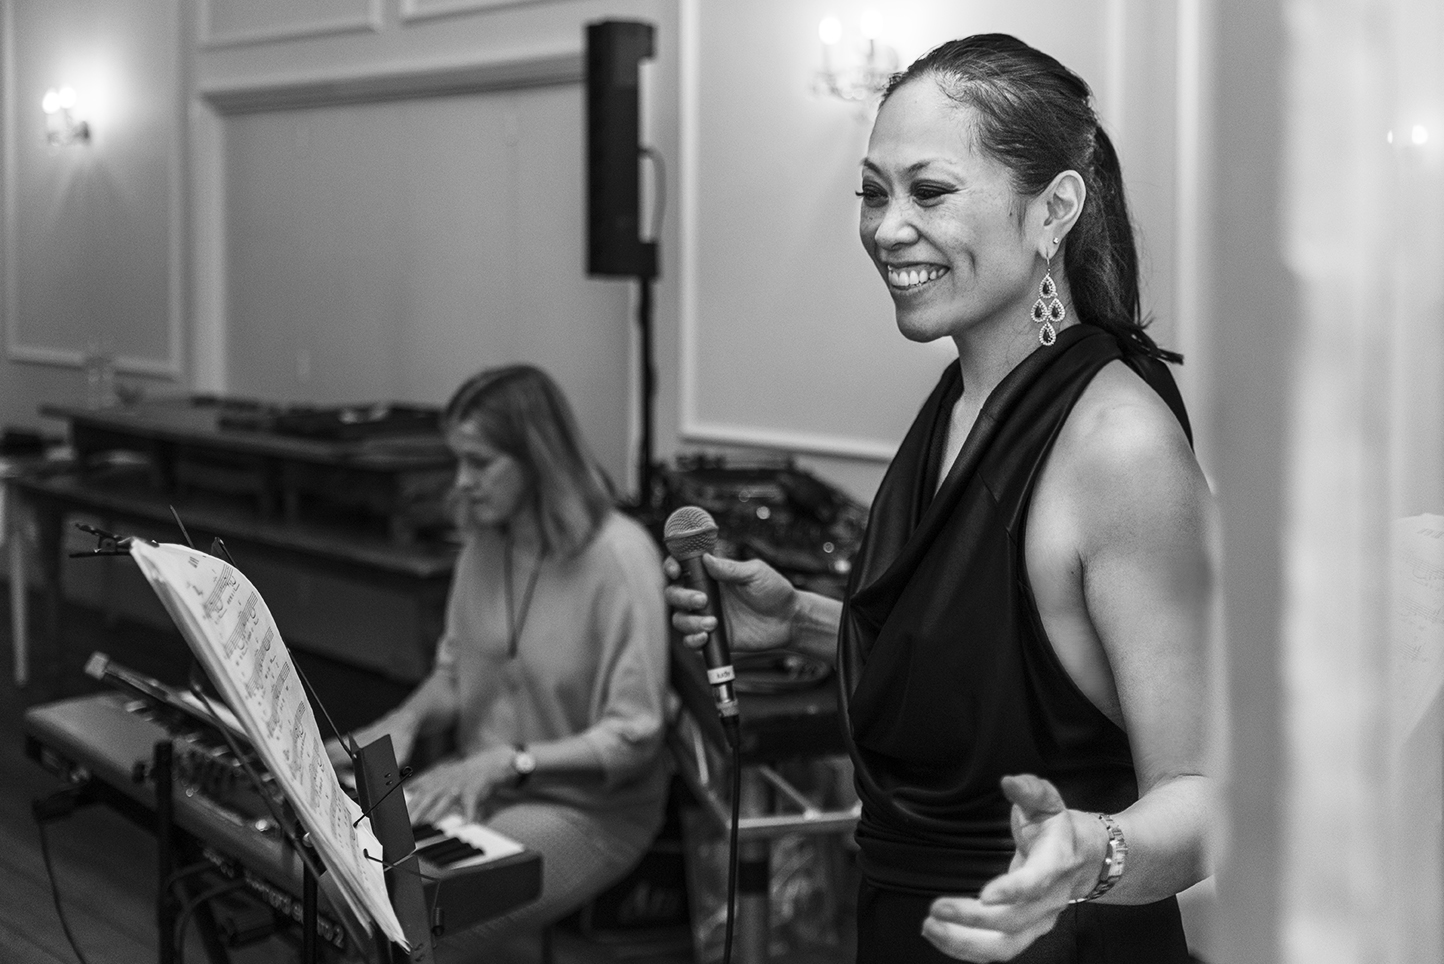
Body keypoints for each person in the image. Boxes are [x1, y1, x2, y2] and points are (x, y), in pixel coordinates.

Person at [665, 35, 1215, 964]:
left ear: (1055, 210)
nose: (887, 229)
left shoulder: (1119, 448)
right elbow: (1003, 662)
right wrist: (802, 620)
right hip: (908, 923)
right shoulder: (963, 400)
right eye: (873, 193)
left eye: (929, 191)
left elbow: (1207, 792)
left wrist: (1093, 852)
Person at [331, 364, 671, 961]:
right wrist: (404, 723)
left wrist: (508, 763)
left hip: (589, 810)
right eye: (458, 462)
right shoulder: (485, 546)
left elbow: (634, 737)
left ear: (538, 459)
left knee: (411, 921)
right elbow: (455, 674)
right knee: (343, 878)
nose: (462, 482)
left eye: (480, 463)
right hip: (480, 784)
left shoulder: (620, 557)